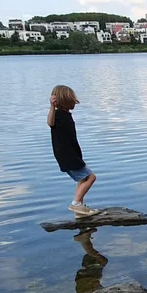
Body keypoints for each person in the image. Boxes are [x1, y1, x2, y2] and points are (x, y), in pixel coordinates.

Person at [49, 85, 99, 218]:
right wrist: (52, 107)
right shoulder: (58, 115)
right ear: (65, 101)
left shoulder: (66, 115)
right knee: (91, 177)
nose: (75, 103)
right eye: (72, 100)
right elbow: (50, 123)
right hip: (67, 155)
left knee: (82, 179)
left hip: (71, 154)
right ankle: (76, 203)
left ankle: (79, 211)